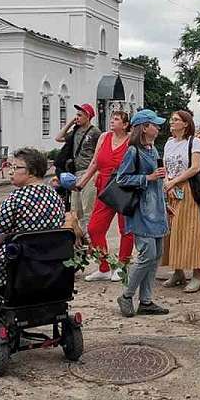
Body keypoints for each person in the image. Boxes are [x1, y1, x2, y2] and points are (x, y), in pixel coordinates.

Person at [0, 148, 71, 325]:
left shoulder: (16, 199)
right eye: (10, 167)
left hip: (20, 265)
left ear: (32, 172)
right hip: (50, 262)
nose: (11, 172)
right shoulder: (55, 196)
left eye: (16, 167)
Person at [116, 109, 171, 317]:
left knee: (155, 255)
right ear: (144, 128)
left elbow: (157, 182)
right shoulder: (133, 151)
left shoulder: (153, 150)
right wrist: (146, 178)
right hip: (141, 211)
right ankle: (127, 295)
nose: (158, 127)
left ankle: (146, 300)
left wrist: (164, 203)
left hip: (156, 210)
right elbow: (121, 179)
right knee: (146, 254)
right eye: (154, 124)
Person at [79, 110, 134, 282]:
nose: (112, 121)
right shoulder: (104, 137)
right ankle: (103, 267)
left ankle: (122, 265)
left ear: (125, 125)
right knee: (95, 227)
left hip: (124, 186)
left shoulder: (131, 140)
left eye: (116, 119)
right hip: (104, 185)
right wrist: (82, 181)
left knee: (126, 228)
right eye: (111, 118)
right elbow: (95, 162)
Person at [161, 110, 200, 292]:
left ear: (186, 123)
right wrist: (167, 183)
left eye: (176, 120)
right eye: (172, 119)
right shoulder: (169, 143)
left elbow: (195, 167)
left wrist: (174, 181)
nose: (171, 122)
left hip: (187, 189)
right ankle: (178, 270)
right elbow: (165, 167)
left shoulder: (194, 142)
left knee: (190, 229)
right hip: (171, 190)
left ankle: (198, 274)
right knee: (172, 230)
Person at [56, 103, 101, 230]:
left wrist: (97, 171)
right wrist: (70, 123)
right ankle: (79, 236)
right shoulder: (75, 131)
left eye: (80, 115)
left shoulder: (95, 132)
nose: (77, 117)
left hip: (88, 172)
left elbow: (101, 151)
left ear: (88, 116)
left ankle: (89, 238)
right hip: (75, 173)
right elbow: (58, 138)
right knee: (75, 210)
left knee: (88, 208)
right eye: (76, 115)